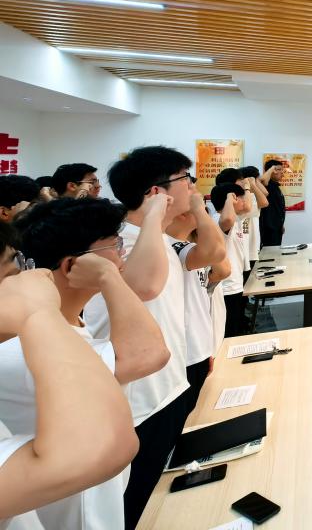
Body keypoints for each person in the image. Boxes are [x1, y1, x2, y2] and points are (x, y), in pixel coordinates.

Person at [7, 198, 171, 530]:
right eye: (114, 247)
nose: (121, 257)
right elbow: (148, 354)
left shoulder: (63, 325)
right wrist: (109, 276)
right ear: (72, 265)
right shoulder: (29, 344)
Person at [82, 146, 196, 530]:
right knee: (139, 509)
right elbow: (145, 286)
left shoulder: (158, 238)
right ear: (156, 192)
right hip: (138, 405)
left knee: (165, 504)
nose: (193, 187)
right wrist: (154, 217)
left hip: (168, 387)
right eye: (185, 179)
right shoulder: (118, 244)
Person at [0, 263, 139, 528]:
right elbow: (146, 354)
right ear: (69, 264)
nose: (30, 276)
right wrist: (38, 312)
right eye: (14, 272)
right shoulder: (18, 349)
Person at [166, 187, 228, 415]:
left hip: (199, 347)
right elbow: (218, 255)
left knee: (197, 411)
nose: (203, 210)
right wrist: (200, 211)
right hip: (184, 354)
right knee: (187, 417)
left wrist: (206, 348)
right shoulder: (169, 246)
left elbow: (223, 268)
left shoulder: (188, 246)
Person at [210, 183, 250, 339]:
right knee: (229, 333)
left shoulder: (236, 220)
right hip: (227, 287)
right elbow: (226, 219)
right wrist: (229, 198)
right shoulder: (219, 220)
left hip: (234, 284)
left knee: (234, 329)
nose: (243, 201)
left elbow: (246, 209)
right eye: (239, 198)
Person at [240, 166, 269, 267]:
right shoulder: (245, 198)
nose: (258, 183)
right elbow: (265, 202)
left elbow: (265, 193)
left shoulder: (252, 195)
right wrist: (251, 184)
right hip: (247, 246)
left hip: (252, 243)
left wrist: (254, 183)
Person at [259, 160, 286, 247]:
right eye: (279, 169)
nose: (282, 172)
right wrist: (271, 169)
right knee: (270, 252)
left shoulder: (275, 185)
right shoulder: (267, 185)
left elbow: (278, 208)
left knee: (276, 250)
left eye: (282, 170)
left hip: (277, 227)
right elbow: (263, 181)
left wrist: (281, 225)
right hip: (269, 228)